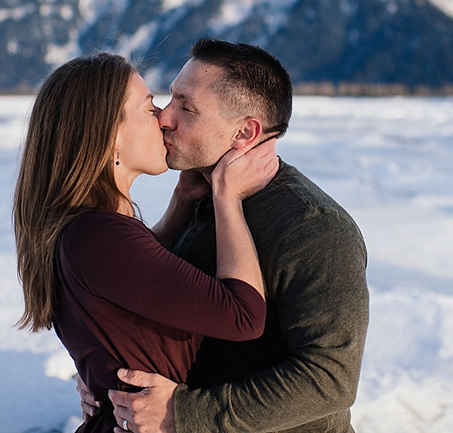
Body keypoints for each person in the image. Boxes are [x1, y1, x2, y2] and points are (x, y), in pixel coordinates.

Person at [79, 38, 369, 433]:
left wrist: (185, 412)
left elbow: (330, 379)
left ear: (244, 133)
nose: (164, 117)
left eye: (187, 108)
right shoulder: (201, 196)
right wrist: (104, 371)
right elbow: (146, 299)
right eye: (170, 99)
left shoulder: (313, 226)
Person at [14, 53, 280, 433]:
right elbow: (244, 316)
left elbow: (136, 278)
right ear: (110, 137)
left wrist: (182, 201)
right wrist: (227, 196)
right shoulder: (99, 237)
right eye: (148, 107)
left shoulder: (87, 229)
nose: (163, 118)